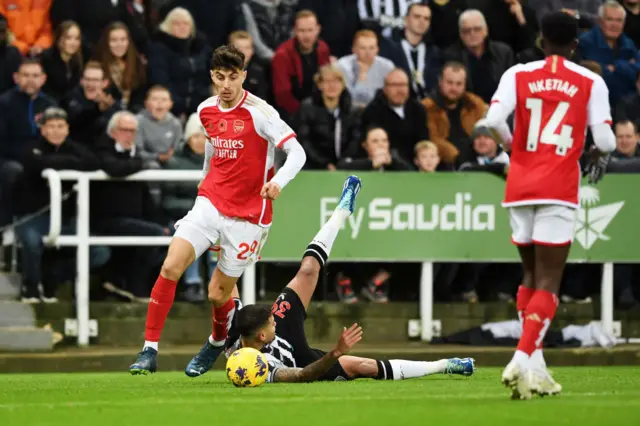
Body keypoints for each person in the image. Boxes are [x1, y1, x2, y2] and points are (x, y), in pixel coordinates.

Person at [185, 175, 476, 382]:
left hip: (278, 335)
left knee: (309, 269)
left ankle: (342, 211)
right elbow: (301, 375)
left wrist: (221, 240)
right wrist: (336, 352)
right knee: (361, 366)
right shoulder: (261, 369)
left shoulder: (236, 327)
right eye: (270, 320)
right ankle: (445, 365)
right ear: (263, 335)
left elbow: (226, 283)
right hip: (302, 359)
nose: (274, 315)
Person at [129, 44, 306, 374]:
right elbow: (212, 146)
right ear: (212, 76)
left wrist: (278, 182)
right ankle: (148, 350)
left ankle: (215, 341)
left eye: (233, 77)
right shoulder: (206, 110)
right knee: (170, 266)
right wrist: (203, 179)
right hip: (210, 202)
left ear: (243, 77)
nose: (226, 84)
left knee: (217, 294)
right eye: (220, 77)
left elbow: (297, 153)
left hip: (249, 216)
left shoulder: (261, 112)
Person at [484, 11, 617, 400]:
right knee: (549, 281)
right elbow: (607, 142)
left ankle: (536, 371)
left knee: (528, 275)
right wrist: (591, 150)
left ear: (541, 41)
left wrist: (514, 148)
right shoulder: (590, 81)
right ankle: (522, 356)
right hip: (558, 185)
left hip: (520, 183)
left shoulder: (517, 74)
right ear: (576, 45)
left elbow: (492, 119)